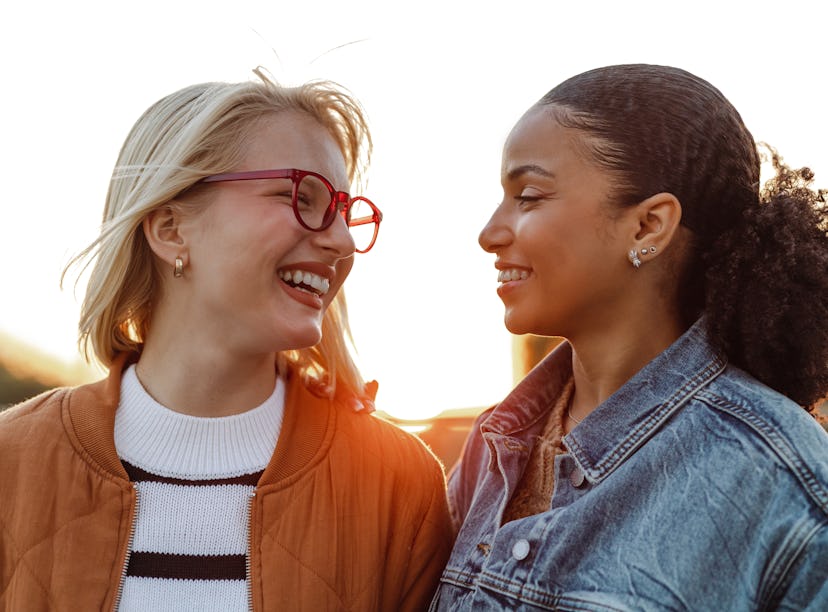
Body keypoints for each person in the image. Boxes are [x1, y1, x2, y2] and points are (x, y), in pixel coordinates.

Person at [0, 70, 452, 611]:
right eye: (300, 196)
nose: (341, 240)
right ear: (170, 229)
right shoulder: (11, 463)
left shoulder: (401, 485)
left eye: (341, 211)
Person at [431, 64, 828, 610]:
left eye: (529, 195)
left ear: (648, 226)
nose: (489, 233)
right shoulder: (492, 448)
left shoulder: (784, 482)